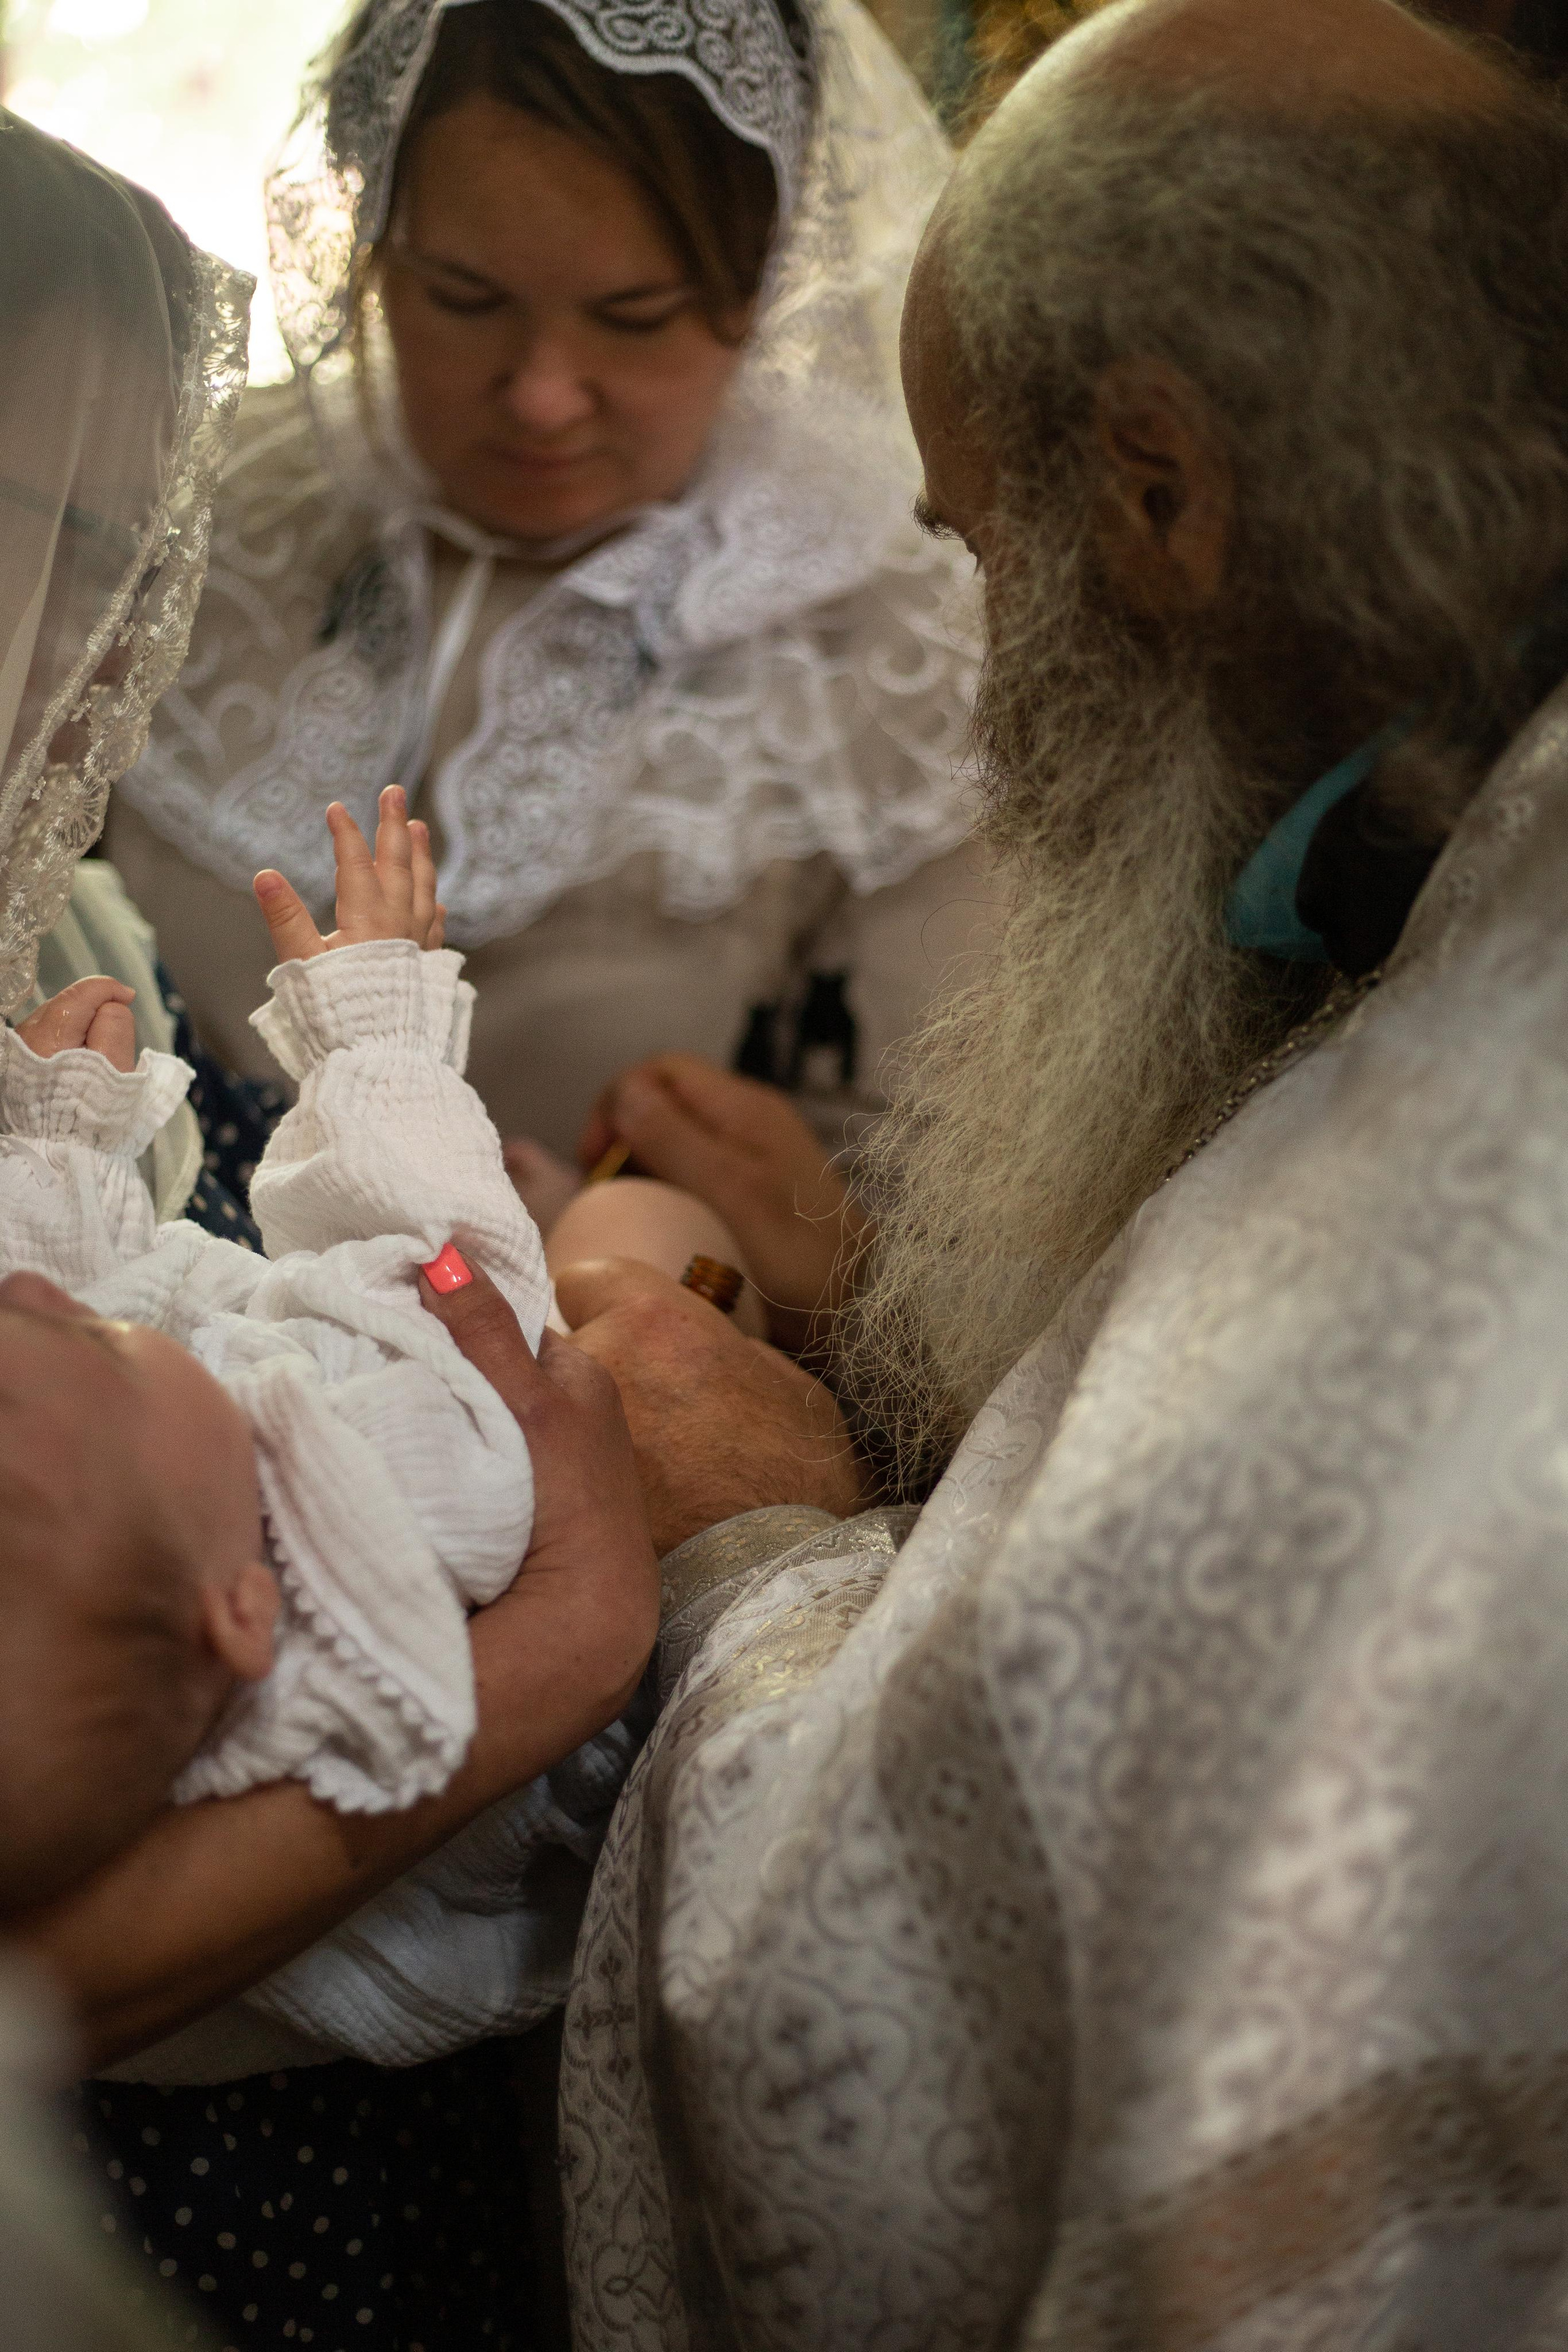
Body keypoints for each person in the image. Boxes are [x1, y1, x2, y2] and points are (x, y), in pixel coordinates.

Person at [424, 1, 1568, 2340]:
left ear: (1158, 493)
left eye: (981, 554)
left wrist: (756, 1551)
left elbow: (875, 2036)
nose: (972, 675)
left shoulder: (1444, 1187)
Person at [0, 106, 660, 2351]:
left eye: (129, 547)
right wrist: (568, 1632)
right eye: (55, 540)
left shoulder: (55, 902)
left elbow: (263, 1241)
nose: (114, 642)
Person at [104, 0, 995, 1177]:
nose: (541, 395)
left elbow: (920, 1198)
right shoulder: (186, 510)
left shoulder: (897, 641)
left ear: (770, 279)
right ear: (364, 232)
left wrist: (728, 1246)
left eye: (635, 318)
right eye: (466, 298)